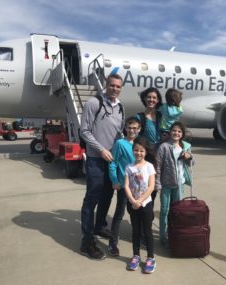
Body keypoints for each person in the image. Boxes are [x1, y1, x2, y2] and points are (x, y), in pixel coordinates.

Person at [79, 73, 125, 260]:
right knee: (92, 198)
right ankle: (86, 241)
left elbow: (119, 133)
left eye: (118, 86)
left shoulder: (120, 107)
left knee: (107, 195)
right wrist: (101, 150)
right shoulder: (94, 103)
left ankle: (99, 226)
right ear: (106, 85)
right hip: (96, 160)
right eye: (112, 85)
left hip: (112, 161)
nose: (115, 88)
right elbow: (84, 131)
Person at [155, 121, 194, 246]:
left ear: (182, 134)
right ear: (170, 132)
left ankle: (174, 233)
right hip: (166, 184)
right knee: (165, 210)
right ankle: (163, 236)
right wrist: (158, 184)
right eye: (174, 130)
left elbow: (191, 164)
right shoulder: (164, 147)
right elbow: (158, 167)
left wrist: (189, 157)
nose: (176, 133)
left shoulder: (185, 147)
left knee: (177, 211)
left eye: (179, 131)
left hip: (179, 184)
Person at [107, 116, 141, 256]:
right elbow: (113, 163)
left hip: (138, 188)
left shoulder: (140, 144)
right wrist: (115, 180)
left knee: (136, 214)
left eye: (135, 128)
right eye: (129, 127)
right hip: (123, 186)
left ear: (139, 130)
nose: (132, 130)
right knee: (119, 214)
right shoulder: (120, 143)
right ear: (125, 128)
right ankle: (113, 243)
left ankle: (138, 238)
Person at [124, 136, 156, 274]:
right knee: (135, 231)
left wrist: (140, 201)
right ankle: (136, 255)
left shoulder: (149, 166)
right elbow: (126, 185)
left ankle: (150, 258)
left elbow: (151, 187)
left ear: (146, 152)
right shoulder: (129, 167)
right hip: (133, 204)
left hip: (146, 204)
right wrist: (132, 200)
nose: (138, 153)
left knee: (147, 231)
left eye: (141, 151)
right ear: (133, 151)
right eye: (136, 150)